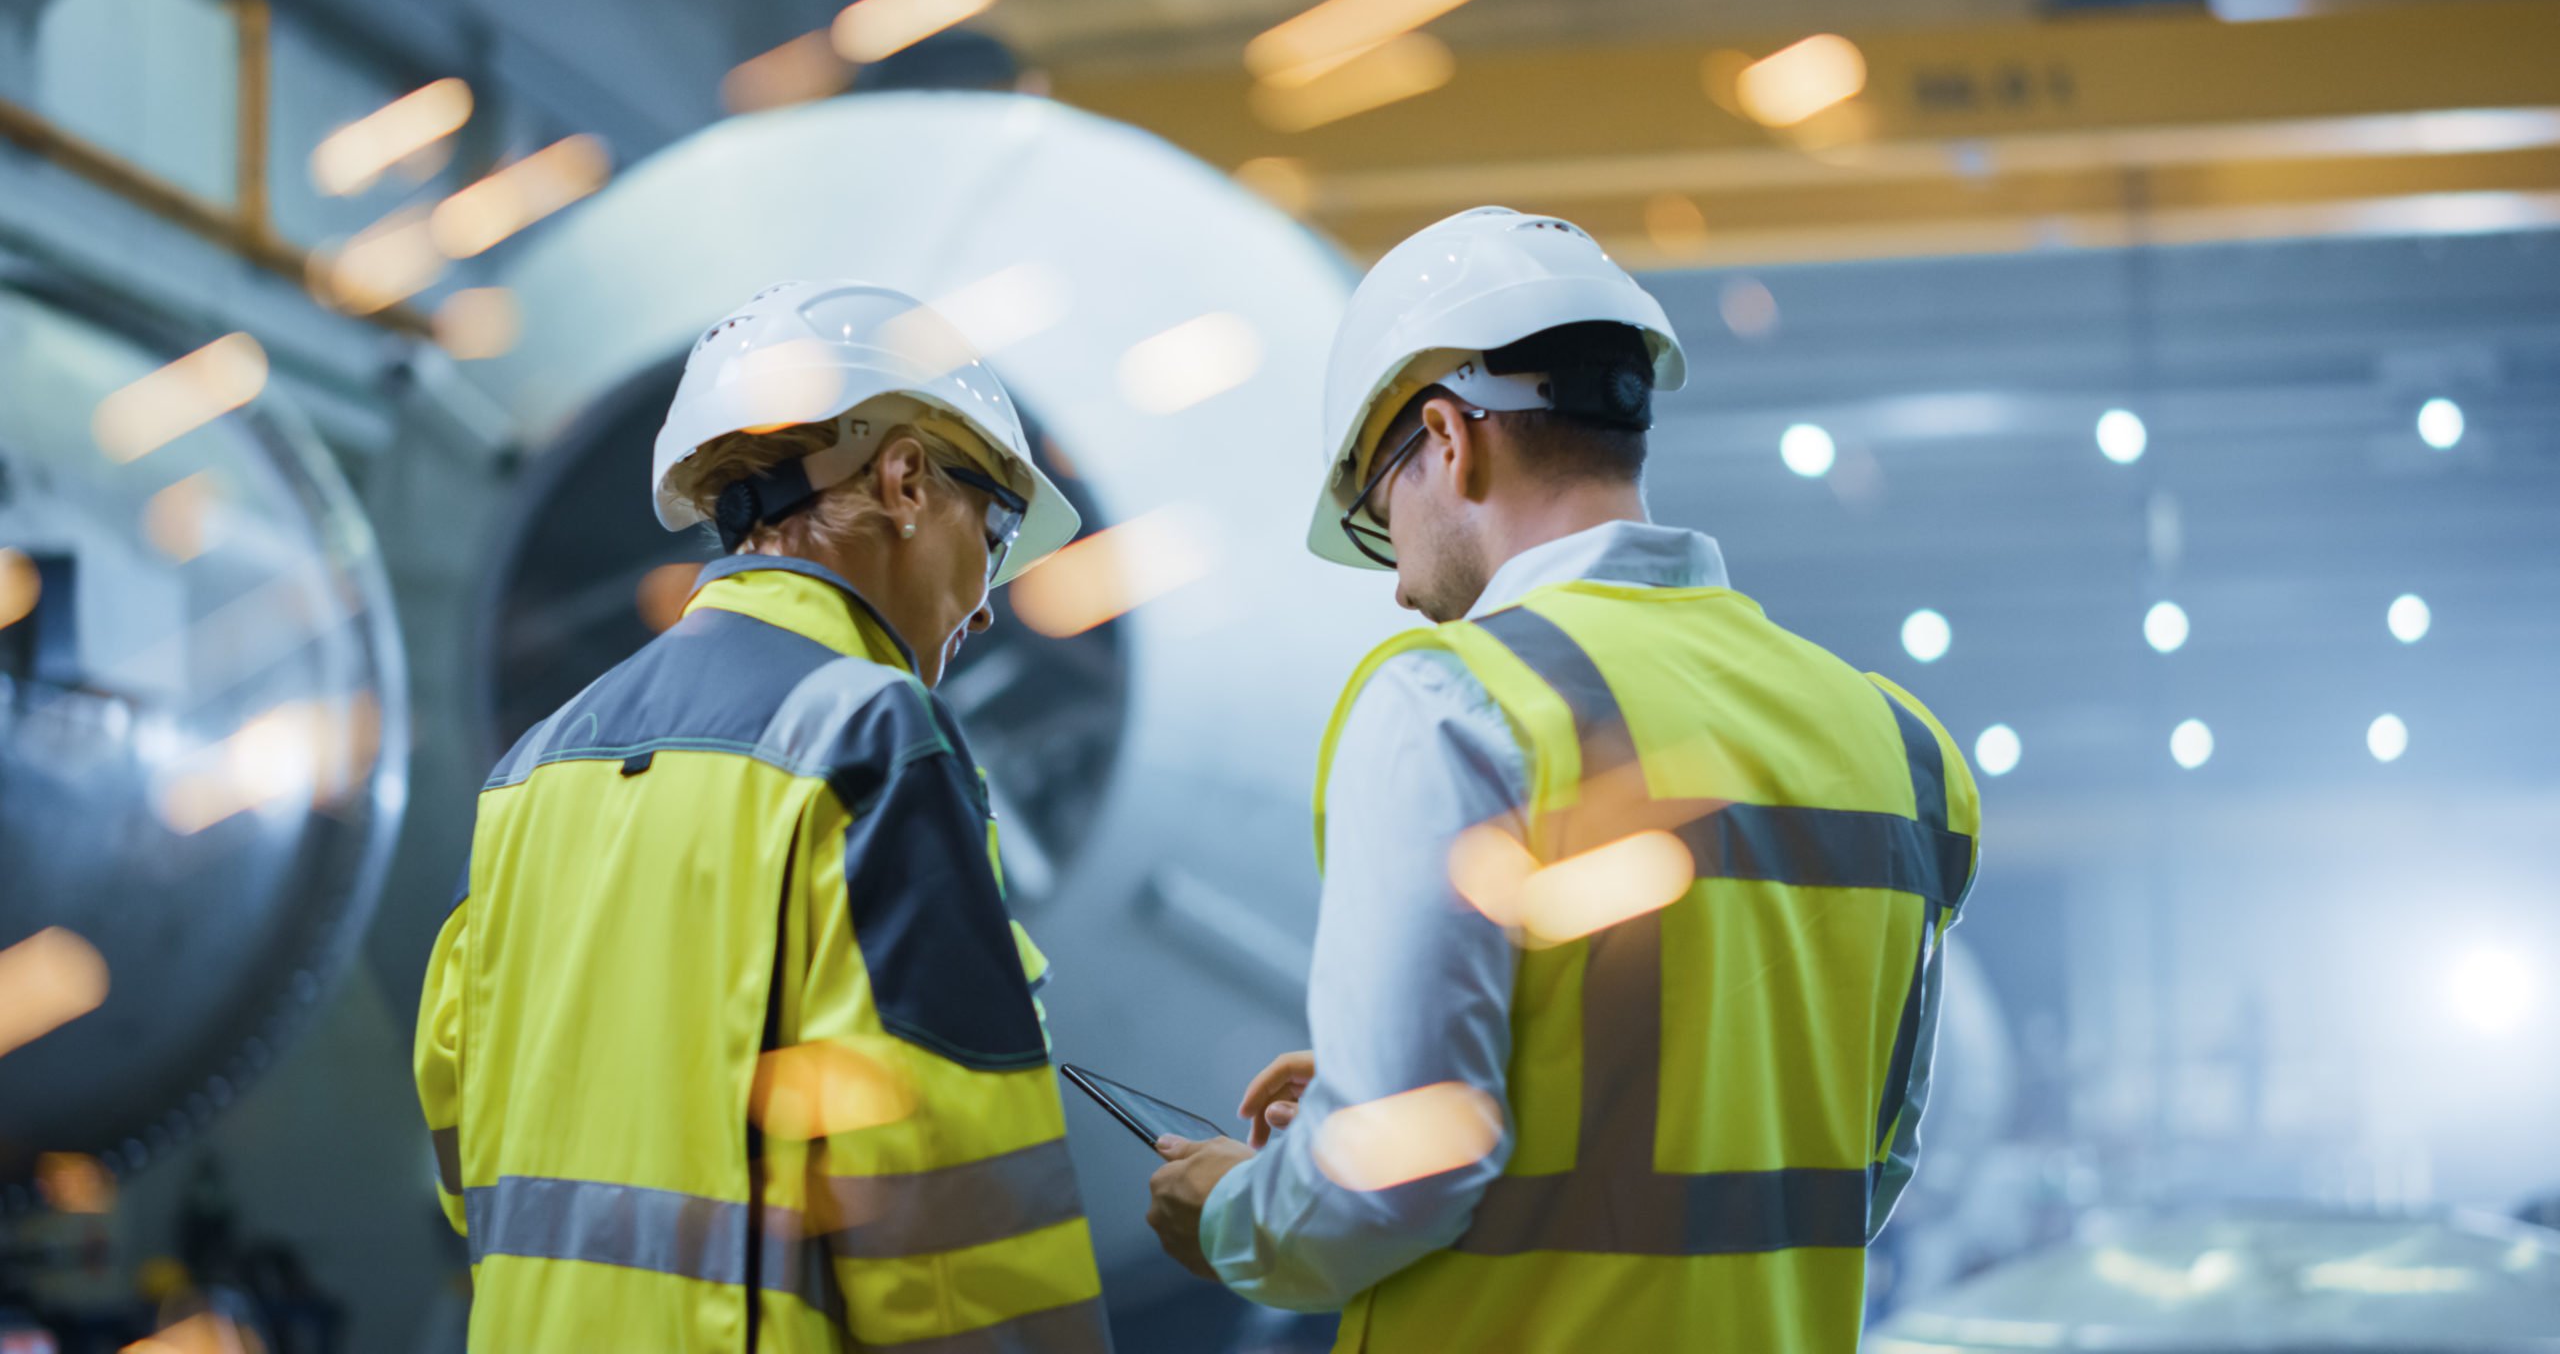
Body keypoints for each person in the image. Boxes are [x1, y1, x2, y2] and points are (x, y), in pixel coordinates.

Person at [1145, 208, 1983, 1350]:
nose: (1397, 588)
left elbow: (1398, 1177)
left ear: (1448, 438)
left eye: (1382, 523)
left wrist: (1236, 1213)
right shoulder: (1899, 747)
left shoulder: (1458, 701)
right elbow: (1850, 1164)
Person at [415, 280, 1113, 1352]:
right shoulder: (869, 740)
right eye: (999, 527)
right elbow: (948, 1226)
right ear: (907, 479)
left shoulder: (531, 770)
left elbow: (466, 1149)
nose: (986, 597)